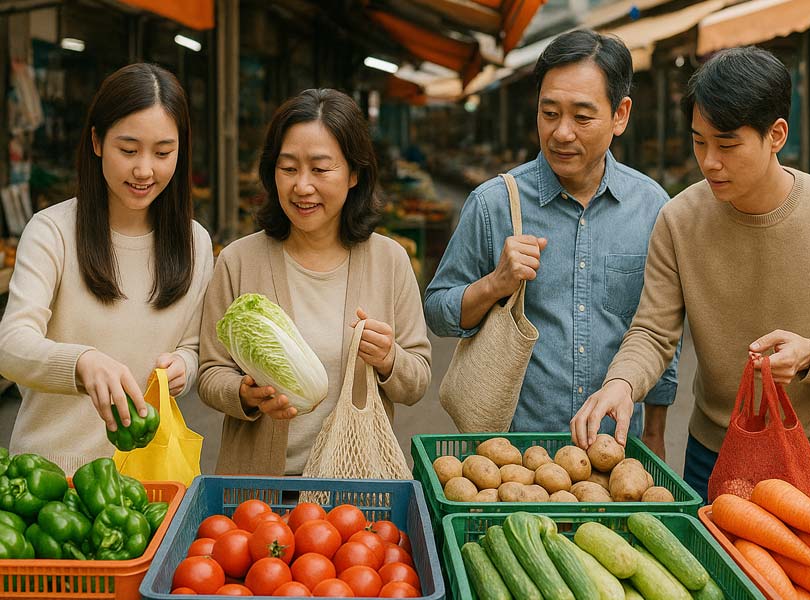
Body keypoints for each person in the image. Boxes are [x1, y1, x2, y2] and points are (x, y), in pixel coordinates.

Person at [570, 46, 810, 501]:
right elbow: (653, 331)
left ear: (776, 134)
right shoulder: (679, 219)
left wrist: (809, 356)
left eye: (726, 145)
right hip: (712, 451)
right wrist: (621, 384)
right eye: (699, 141)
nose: (709, 162)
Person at [424, 30, 680, 444]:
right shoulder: (493, 204)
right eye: (549, 113)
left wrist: (654, 435)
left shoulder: (653, 208)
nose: (562, 133)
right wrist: (495, 285)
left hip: (614, 452)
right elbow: (437, 311)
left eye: (582, 117)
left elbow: (661, 332)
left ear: (620, 115)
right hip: (510, 459)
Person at [197, 88, 431, 476]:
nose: (302, 186)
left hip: (355, 493)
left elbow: (418, 378)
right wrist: (244, 395)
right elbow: (210, 373)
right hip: (258, 495)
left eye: (320, 170)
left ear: (355, 174)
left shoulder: (389, 260)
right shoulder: (238, 260)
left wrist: (390, 359)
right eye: (288, 168)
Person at [0, 63, 213, 474]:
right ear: (97, 141)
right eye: (128, 150)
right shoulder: (52, 232)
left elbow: (192, 344)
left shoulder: (195, 243)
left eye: (163, 152)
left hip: (148, 480)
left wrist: (184, 366)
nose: (144, 170)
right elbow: (11, 346)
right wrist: (83, 363)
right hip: (47, 480)